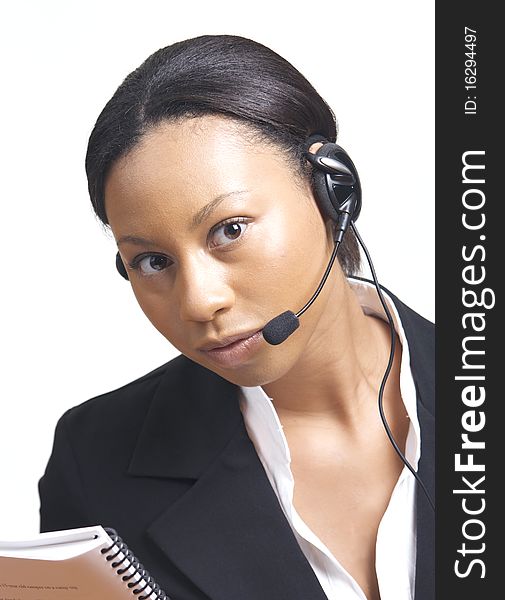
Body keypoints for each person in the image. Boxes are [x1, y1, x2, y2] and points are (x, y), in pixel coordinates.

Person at [38, 34, 434, 600]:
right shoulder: (94, 461)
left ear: (333, 191)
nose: (198, 302)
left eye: (230, 229)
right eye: (153, 261)